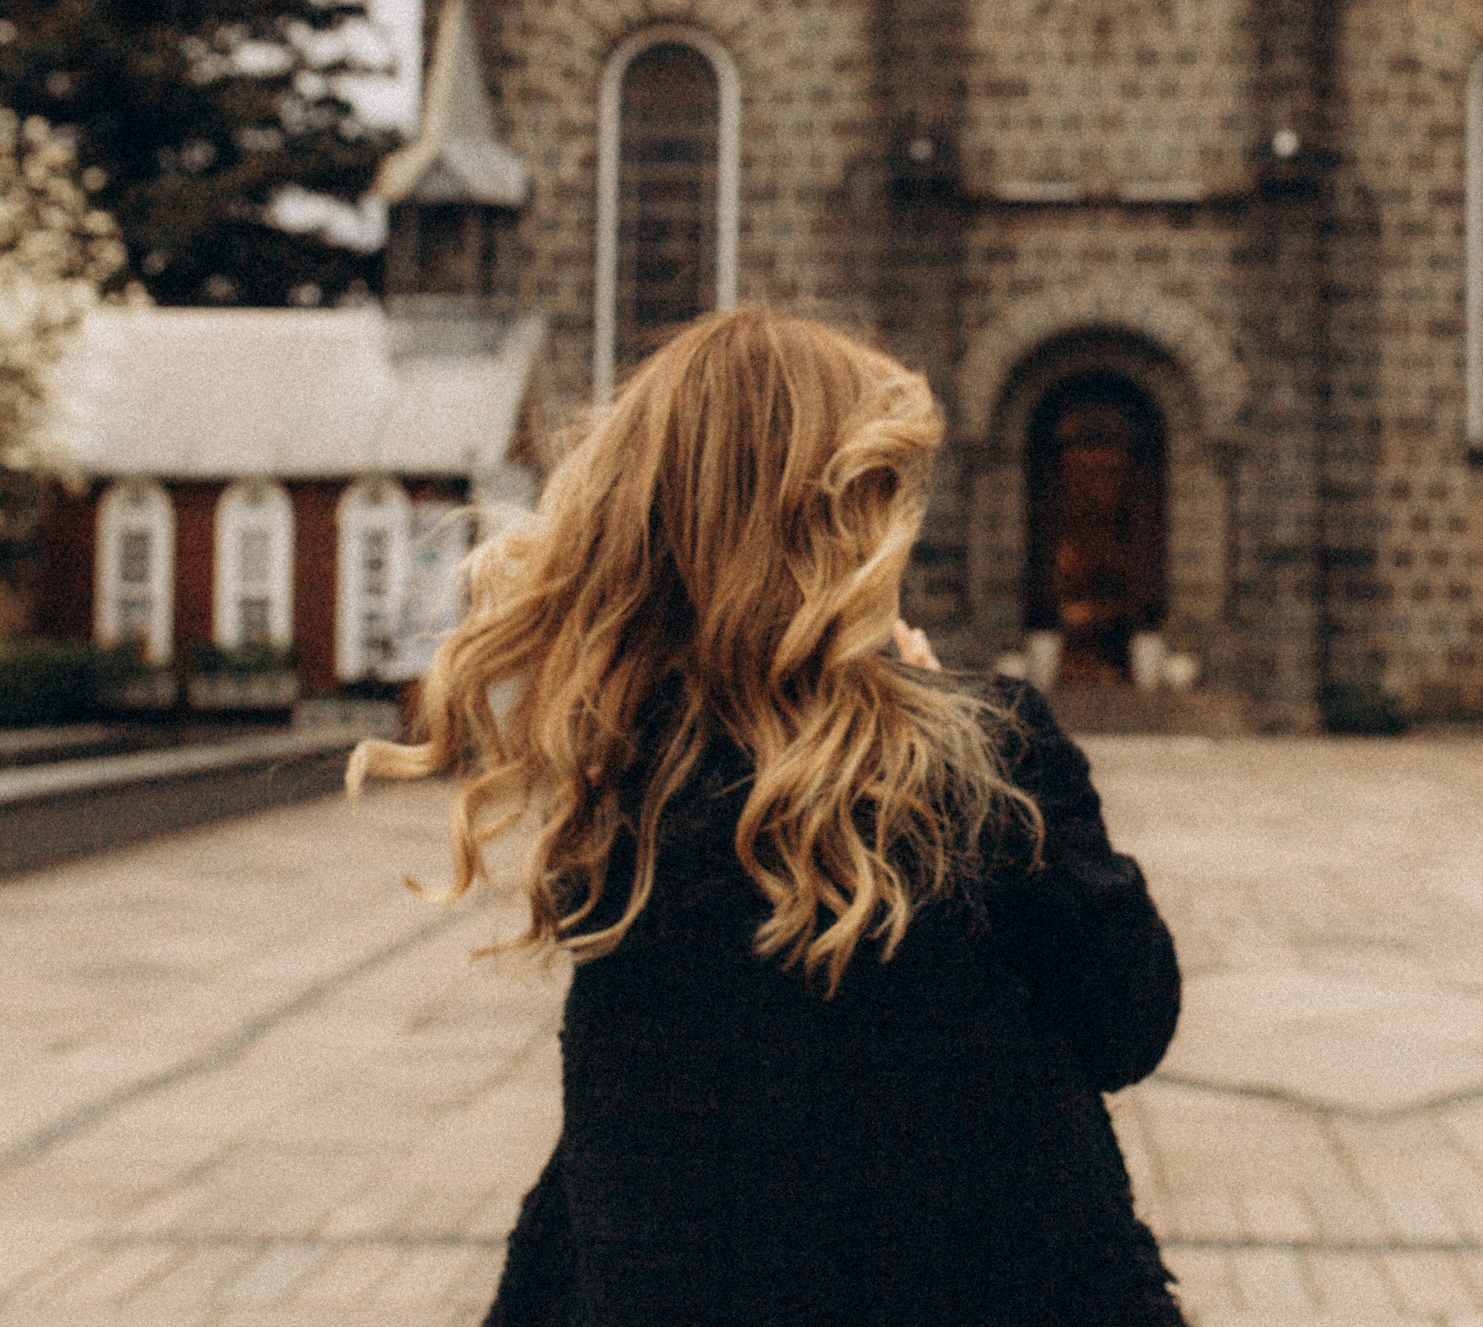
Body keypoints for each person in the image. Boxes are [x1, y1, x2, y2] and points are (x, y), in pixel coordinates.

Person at [352, 307, 1186, 1327]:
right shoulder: (986, 757)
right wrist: (951, 721)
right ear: (844, 522)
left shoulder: (626, 785)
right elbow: (1127, 1018)